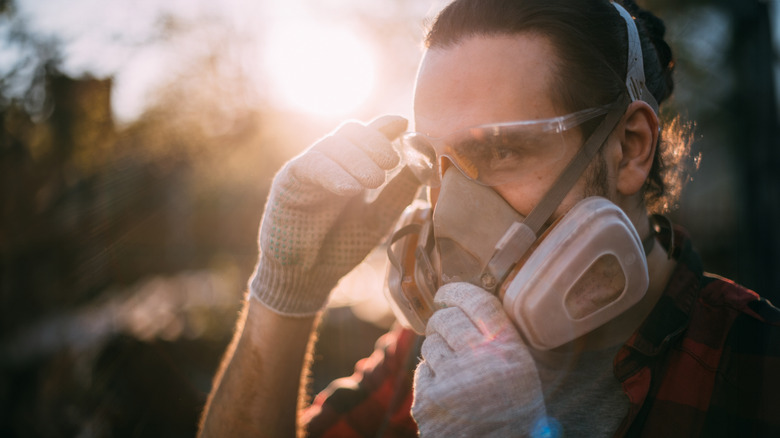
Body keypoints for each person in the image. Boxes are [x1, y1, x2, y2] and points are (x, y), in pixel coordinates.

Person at [198, 0, 780, 436]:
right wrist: (284, 297)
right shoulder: (425, 358)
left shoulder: (755, 368)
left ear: (630, 147)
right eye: (436, 163)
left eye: (501, 151)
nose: (449, 212)